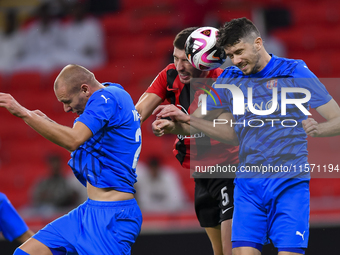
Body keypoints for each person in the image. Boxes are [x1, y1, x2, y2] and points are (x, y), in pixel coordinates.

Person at [155, 17, 340, 255]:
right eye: (231, 55)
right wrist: (177, 124)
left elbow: (337, 118)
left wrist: (319, 129)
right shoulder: (230, 79)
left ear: (258, 43)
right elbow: (201, 123)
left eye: (240, 52)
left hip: (289, 185)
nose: (236, 60)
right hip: (248, 187)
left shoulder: (294, 71)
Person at [0, 64, 142, 254]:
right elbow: (91, 141)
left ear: (85, 89)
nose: (66, 108)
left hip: (112, 216)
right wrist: (45, 122)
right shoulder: (112, 92)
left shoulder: (104, 99)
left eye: (67, 101)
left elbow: (73, 140)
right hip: (88, 211)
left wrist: (24, 113)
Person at [135, 27, 239, 255]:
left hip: (230, 171)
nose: (180, 66)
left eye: (186, 59)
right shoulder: (169, 75)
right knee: (219, 251)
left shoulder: (222, 82)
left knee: (233, 252)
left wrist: (177, 123)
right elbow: (138, 112)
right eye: (175, 58)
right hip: (201, 175)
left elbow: (227, 131)